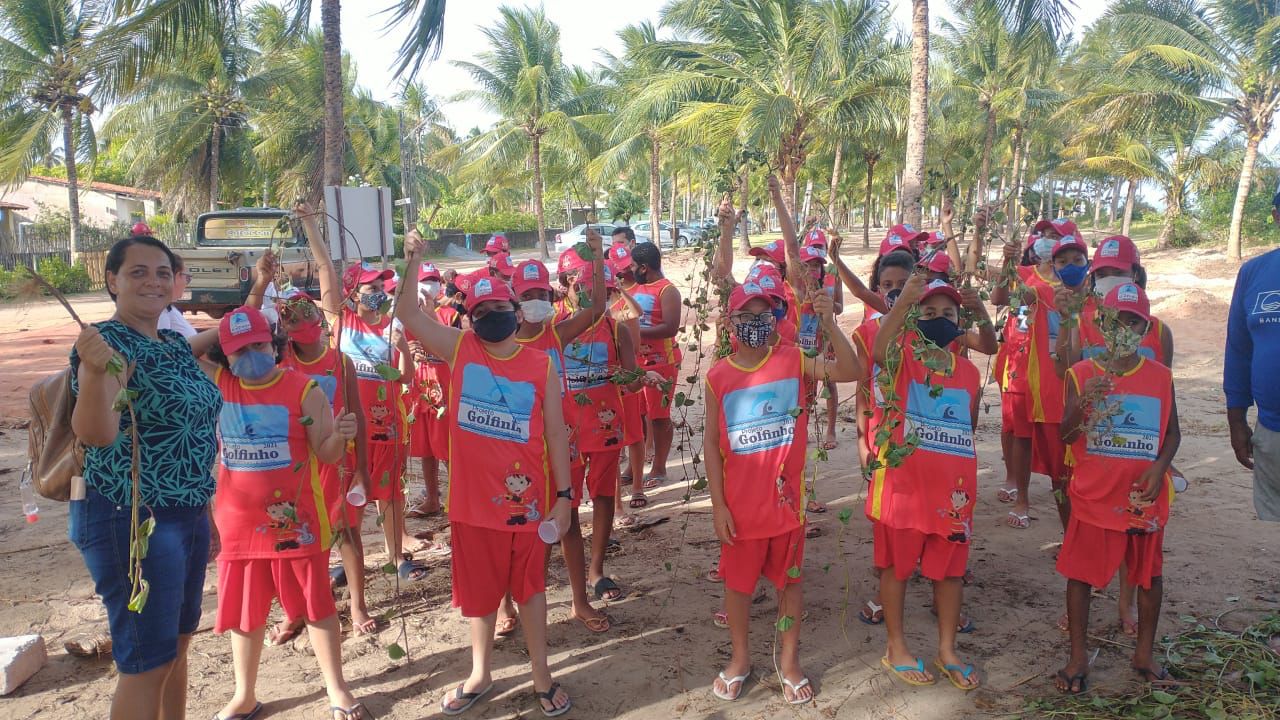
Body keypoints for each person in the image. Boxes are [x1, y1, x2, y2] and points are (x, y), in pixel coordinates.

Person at [397, 230, 575, 717]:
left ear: (516, 312)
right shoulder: (460, 350)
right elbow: (409, 315)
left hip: (529, 506)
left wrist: (563, 495)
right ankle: (480, 672)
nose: (491, 318)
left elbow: (556, 435)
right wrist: (412, 258)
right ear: (470, 319)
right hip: (472, 507)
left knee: (533, 591)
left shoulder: (540, 366)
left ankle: (542, 675)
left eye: (499, 308)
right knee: (479, 598)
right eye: (480, 313)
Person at [69, 235, 223, 720]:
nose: (152, 282)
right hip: (131, 516)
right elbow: (94, 433)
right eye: (138, 272)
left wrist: (207, 516)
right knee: (146, 662)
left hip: (187, 513)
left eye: (161, 272)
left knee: (176, 646)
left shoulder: (174, 343)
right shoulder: (107, 344)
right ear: (112, 281)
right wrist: (95, 372)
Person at [198, 305, 371, 720]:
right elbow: (180, 354)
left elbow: (325, 453)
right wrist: (221, 334)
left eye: (258, 344)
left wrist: (341, 437)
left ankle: (337, 688)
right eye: (239, 350)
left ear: (274, 344)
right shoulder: (221, 382)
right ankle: (244, 694)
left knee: (317, 607)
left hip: (299, 524)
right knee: (246, 612)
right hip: (238, 526)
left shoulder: (304, 389)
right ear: (226, 355)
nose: (250, 356)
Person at [707, 282, 863, 704]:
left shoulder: (794, 360)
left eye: (765, 317)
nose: (756, 325)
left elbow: (849, 371)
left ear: (778, 322)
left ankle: (789, 662)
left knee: (789, 585)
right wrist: (718, 504)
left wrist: (829, 324)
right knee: (738, 588)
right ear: (730, 322)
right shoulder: (718, 376)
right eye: (746, 317)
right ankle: (740, 659)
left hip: (786, 509)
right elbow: (709, 443)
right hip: (739, 511)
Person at [246, 215, 377, 639]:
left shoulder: (340, 361)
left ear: (321, 325)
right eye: (296, 331)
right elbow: (242, 326)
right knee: (298, 543)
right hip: (299, 466)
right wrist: (261, 282)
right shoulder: (280, 364)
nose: (308, 337)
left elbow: (357, 419)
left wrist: (364, 471)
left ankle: (357, 606)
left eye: (313, 328)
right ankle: (297, 610)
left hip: (337, 462)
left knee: (347, 534)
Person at [1054, 282, 1180, 693]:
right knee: (1080, 577)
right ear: (1102, 323)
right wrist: (1080, 402)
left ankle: (1144, 652)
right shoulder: (1082, 373)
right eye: (1116, 320)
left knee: (1149, 576)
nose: (1124, 327)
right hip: (1094, 497)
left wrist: (1159, 469)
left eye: (1134, 321)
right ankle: (1077, 656)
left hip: (1143, 498)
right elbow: (1067, 434)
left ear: (1145, 329)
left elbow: (1172, 435)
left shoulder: (1160, 377)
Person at [869, 275, 982, 691]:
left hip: (952, 496)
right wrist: (903, 305)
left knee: (949, 574)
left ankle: (947, 649)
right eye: (928, 313)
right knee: (897, 569)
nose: (938, 320)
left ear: (959, 322)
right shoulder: (901, 359)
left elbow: (966, 429)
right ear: (913, 321)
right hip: (903, 490)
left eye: (947, 314)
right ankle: (896, 647)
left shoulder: (968, 373)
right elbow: (878, 349)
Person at [511, 234, 618, 635]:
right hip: (521, 452)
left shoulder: (555, 334)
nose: (536, 300)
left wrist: (596, 256)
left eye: (542, 292)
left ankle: (579, 600)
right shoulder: (500, 344)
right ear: (515, 300)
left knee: (568, 522)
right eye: (528, 294)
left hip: (563, 447)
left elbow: (597, 307)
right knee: (517, 525)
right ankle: (511, 606)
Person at [336, 259, 423, 580]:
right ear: (353, 294)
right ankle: (349, 558)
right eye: (371, 288)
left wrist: (402, 348)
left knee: (389, 496)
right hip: (349, 432)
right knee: (350, 497)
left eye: (381, 288)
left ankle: (397, 556)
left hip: (387, 429)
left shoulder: (391, 327)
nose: (378, 293)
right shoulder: (342, 323)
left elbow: (405, 378)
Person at [1225, 236, 1280, 520]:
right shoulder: (1254, 272)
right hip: (1272, 432)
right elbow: (1239, 351)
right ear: (1277, 216)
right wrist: (1236, 421)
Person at [628, 241, 683, 489]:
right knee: (638, 415)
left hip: (662, 361)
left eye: (633, 265)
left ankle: (659, 466)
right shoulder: (637, 288)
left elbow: (670, 327)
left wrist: (637, 331)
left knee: (659, 416)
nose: (630, 269)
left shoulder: (668, 290)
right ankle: (634, 466)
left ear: (644, 267)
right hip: (637, 362)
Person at [406, 262, 458, 520]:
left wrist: (431, 314)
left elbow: (456, 343)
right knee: (426, 449)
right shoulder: (408, 316)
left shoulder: (450, 314)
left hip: (445, 393)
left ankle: (456, 499)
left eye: (433, 280)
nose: (429, 286)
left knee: (448, 449)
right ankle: (432, 498)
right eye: (424, 280)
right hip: (420, 391)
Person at [157, 254, 197, 337]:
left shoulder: (166, 308)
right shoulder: (159, 313)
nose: (186, 283)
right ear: (178, 276)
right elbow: (163, 347)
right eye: (187, 278)